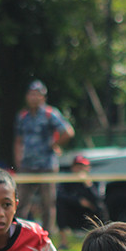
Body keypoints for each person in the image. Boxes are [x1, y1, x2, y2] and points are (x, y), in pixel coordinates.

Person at [14, 80, 75, 235]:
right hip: (27, 165)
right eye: (31, 94)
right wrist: (18, 159)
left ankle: (46, 236)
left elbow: (68, 131)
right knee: (20, 202)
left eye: (37, 94)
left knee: (48, 203)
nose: (33, 97)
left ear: (43, 97)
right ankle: (18, 234)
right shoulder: (23, 116)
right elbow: (18, 139)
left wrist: (55, 144)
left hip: (46, 165)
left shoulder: (50, 114)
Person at [55, 154, 102, 250]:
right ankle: (64, 242)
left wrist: (88, 184)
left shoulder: (95, 181)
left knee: (101, 207)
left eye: (82, 166)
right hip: (73, 215)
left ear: (88, 168)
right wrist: (79, 201)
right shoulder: (67, 182)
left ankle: (101, 240)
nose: (79, 169)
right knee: (60, 205)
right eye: (77, 166)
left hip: (90, 215)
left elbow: (98, 198)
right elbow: (60, 196)